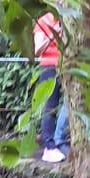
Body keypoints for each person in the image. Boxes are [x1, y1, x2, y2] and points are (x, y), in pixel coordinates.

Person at [35, 11, 66, 162]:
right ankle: (49, 147)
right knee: (50, 106)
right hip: (49, 66)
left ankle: (60, 141)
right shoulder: (43, 20)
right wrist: (54, 36)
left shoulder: (67, 17)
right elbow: (37, 50)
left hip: (66, 65)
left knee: (69, 105)